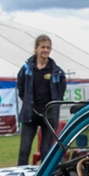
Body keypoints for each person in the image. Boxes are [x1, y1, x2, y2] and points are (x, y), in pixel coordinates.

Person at [17, 34, 67, 165]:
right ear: (36, 49)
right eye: (43, 47)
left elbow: (60, 94)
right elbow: (21, 89)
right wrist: (28, 103)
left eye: (48, 47)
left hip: (48, 116)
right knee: (24, 150)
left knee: (46, 151)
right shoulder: (26, 69)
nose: (45, 50)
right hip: (30, 114)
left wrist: (52, 109)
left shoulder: (57, 72)